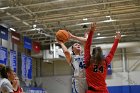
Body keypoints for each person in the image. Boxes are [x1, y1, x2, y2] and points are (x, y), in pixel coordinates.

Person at [84, 23, 121, 93]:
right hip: (104, 91)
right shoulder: (105, 62)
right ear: (102, 54)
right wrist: (117, 40)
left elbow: (87, 47)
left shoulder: (88, 61)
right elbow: (112, 52)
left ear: (92, 53)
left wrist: (91, 31)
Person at [57, 25, 95, 93]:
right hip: (78, 80)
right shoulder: (72, 58)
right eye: (75, 45)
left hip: (89, 79)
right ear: (73, 50)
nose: (78, 45)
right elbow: (66, 52)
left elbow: (87, 41)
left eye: (78, 44)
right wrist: (61, 43)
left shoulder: (85, 55)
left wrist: (73, 37)